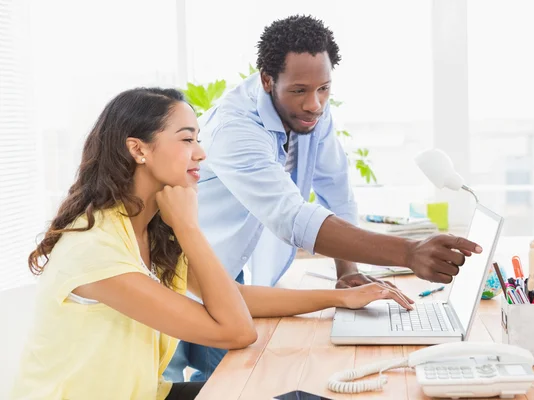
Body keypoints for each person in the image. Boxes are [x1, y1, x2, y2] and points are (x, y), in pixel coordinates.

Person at [10, 88, 414, 400]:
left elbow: (235, 297)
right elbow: (237, 330)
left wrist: (338, 298)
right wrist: (189, 227)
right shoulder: (96, 249)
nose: (201, 153)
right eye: (187, 139)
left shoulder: (146, 228)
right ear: (138, 149)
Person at [165, 15, 481, 383]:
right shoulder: (236, 128)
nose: (314, 104)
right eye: (299, 90)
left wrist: (347, 272)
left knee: (235, 376)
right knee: (220, 380)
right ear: (268, 80)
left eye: (323, 89)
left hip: (236, 276)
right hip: (187, 270)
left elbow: (336, 190)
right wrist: (408, 253)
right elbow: (292, 218)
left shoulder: (309, 112)